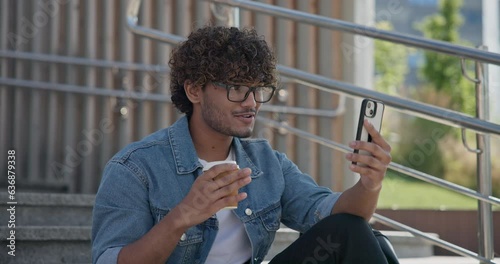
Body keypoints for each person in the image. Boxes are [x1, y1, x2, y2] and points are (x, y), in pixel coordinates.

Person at [91, 25, 393, 264]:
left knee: (358, 234)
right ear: (195, 90)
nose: (251, 103)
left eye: (256, 90)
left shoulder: (266, 162)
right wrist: (182, 216)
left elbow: (335, 216)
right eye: (236, 88)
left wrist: (370, 184)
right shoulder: (135, 168)